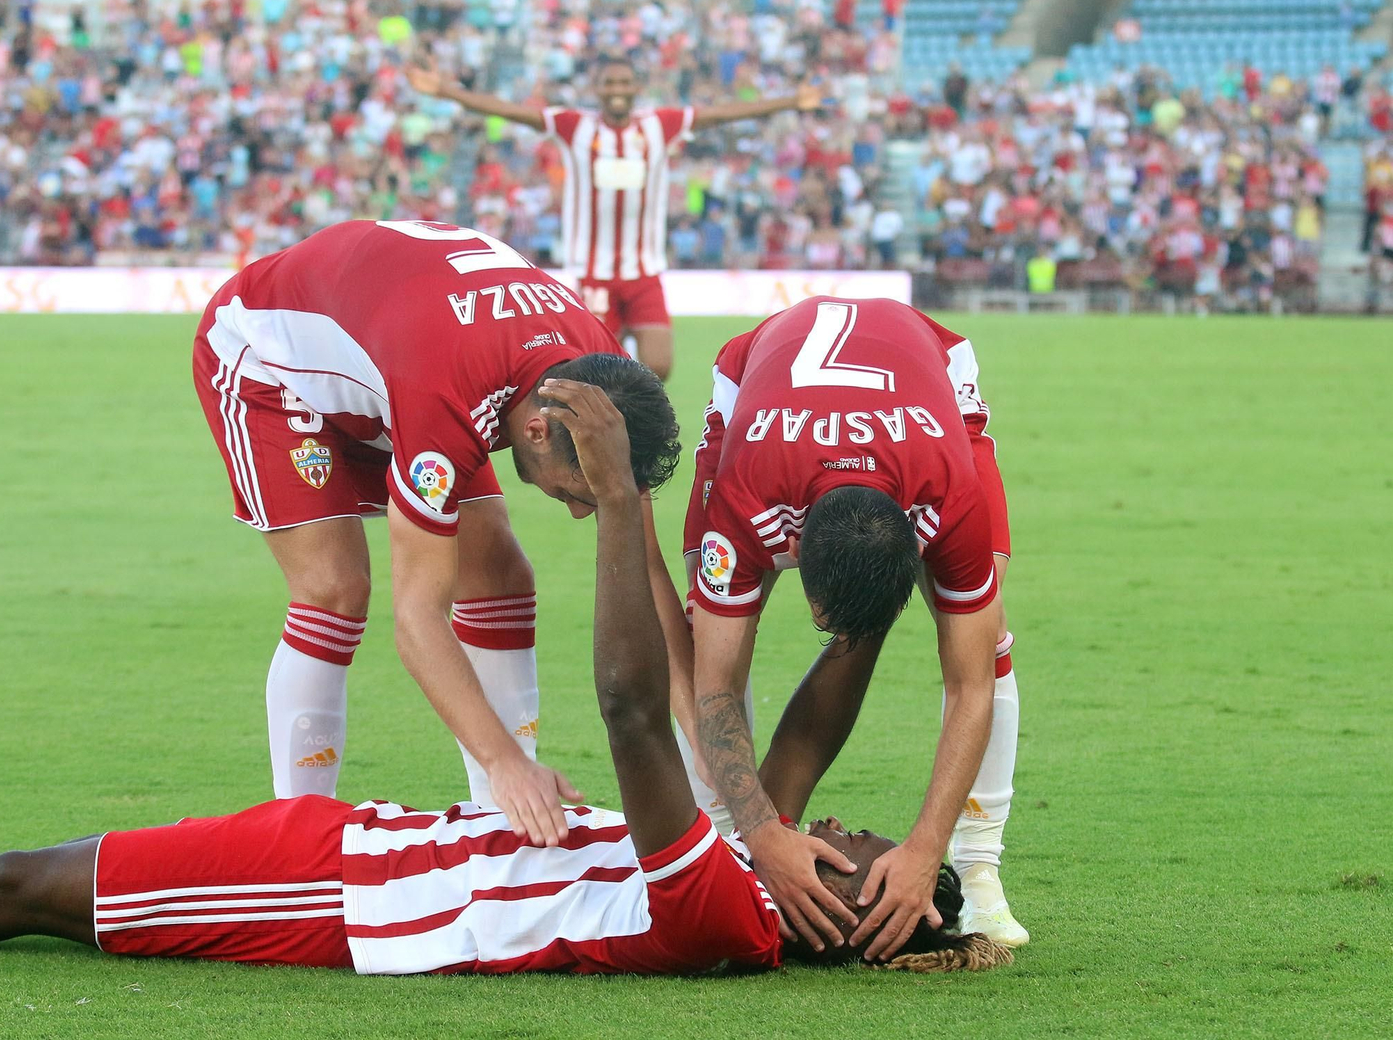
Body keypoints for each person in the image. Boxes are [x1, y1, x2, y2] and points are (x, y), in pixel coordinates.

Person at [0, 391, 1010, 976]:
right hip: (361, 840)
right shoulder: (761, 859)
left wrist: (623, 499)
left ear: (854, 915)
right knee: (42, 875)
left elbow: (641, 710)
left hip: (339, 901)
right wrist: (859, 623)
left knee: (24, 885)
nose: (848, 828)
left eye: (866, 858)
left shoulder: (727, 915)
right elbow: (796, 715)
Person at [192, 218, 686, 850]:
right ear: (536, 430)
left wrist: (719, 787)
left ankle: (503, 825)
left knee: (502, 572)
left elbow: (648, 575)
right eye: (574, 493)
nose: (578, 513)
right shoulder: (447, 395)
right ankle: (298, 836)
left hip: (405, 351)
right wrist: (505, 759)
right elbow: (417, 617)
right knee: (336, 589)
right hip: (267, 359)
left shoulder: (598, 380)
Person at [677, 297, 1030, 960]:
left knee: (986, 628)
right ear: (791, 556)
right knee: (705, 628)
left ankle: (981, 868)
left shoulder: (948, 501)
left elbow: (969, 685)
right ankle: (725, 841)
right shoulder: (747, 507)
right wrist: (757, 830)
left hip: (931, 386)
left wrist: (928, 848)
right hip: (758, 387)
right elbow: (714, 686)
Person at [407, 57, 821, 380]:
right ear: (598, 90)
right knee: (595, 367)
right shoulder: (574, 126)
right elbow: (513, 111)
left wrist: (790, 101)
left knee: (659, 364)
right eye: (610, 84)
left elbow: (722, 114)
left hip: (643, 271)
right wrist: (446, 90)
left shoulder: (660, 125)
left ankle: (628, 407)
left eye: (624, 83)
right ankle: (609, 432)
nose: (617, 90)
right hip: (595, 272)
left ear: (636, 88)